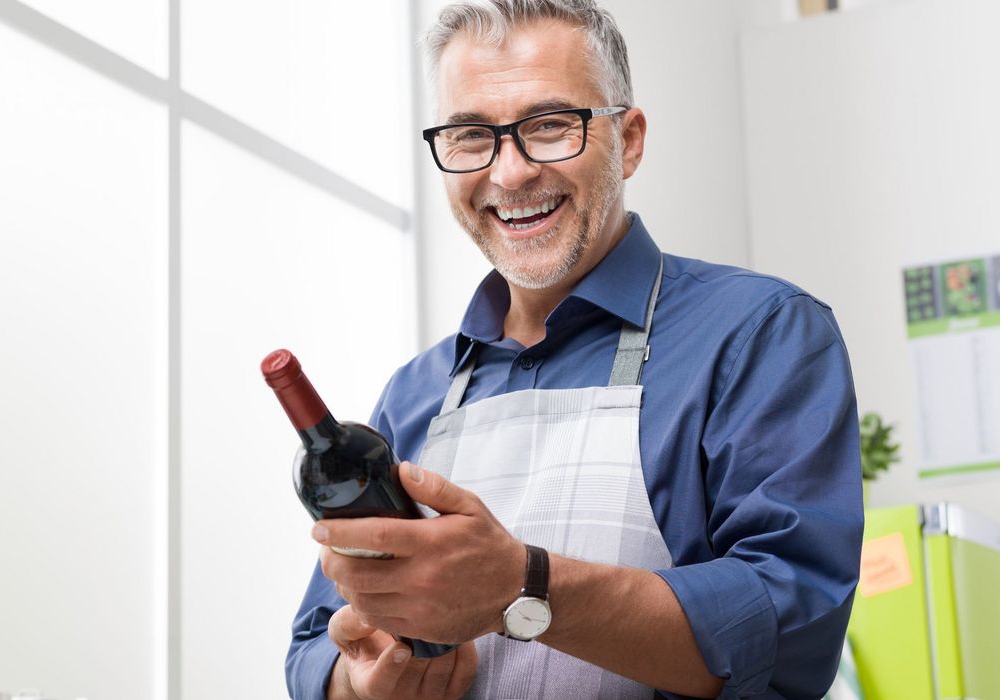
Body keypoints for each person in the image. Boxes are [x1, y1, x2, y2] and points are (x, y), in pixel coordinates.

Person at [286, 1, 863, 698]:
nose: (509, 173)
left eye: (549, 126)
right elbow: (314, 644)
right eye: (471, 136)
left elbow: (791, 630)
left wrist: (520, 586)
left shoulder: (759, 333)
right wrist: (360, 679)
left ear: (630, 138)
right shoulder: (415, 392)